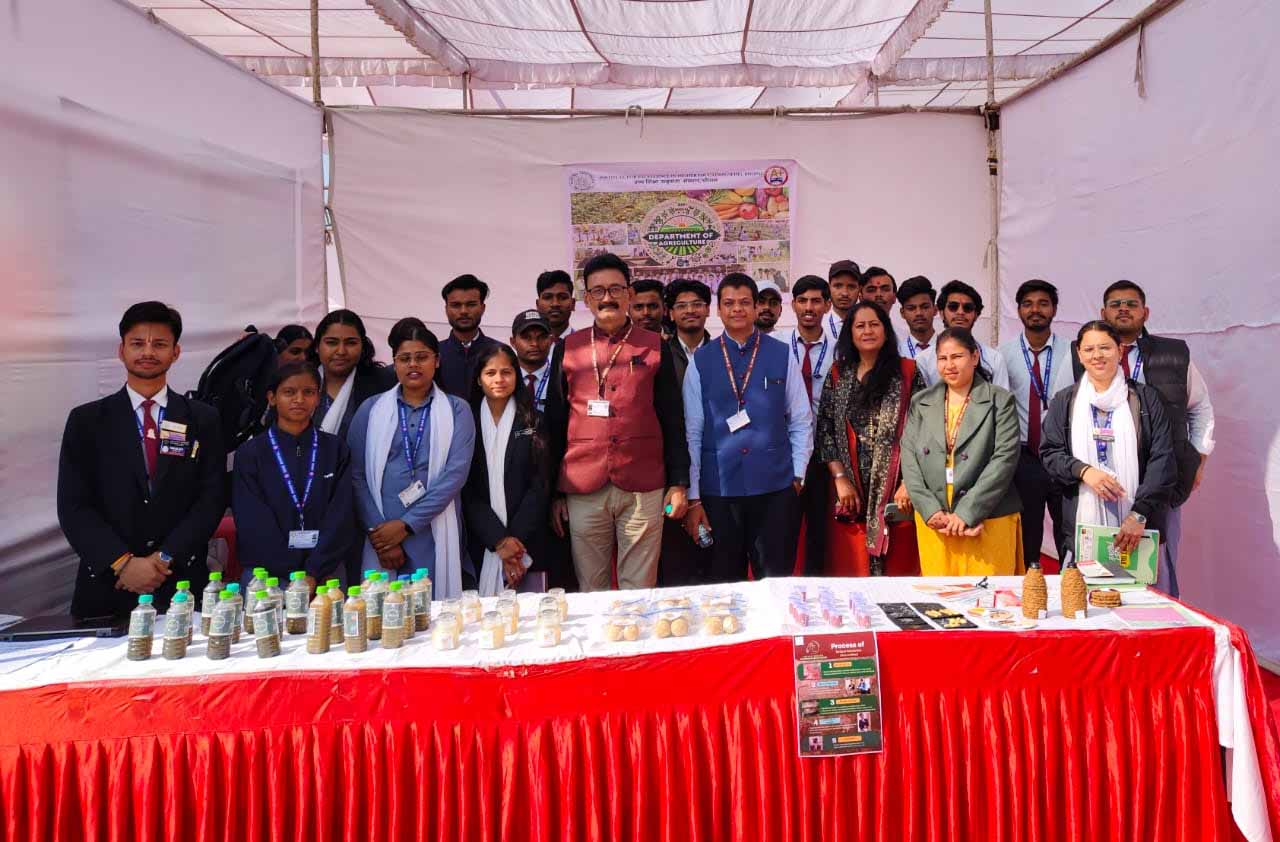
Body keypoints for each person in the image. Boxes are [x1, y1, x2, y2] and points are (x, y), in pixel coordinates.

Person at [57, 301, 226, 618]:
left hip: (180, 583)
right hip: (108, 586)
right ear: (121, 351)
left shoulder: (203, 419)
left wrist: (164, 558)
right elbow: (73, 506)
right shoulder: (87, 421)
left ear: (175, 352)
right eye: (137, 343)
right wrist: (122, 563)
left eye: (159, 344)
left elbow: (211, 499)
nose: (148, 352)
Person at [544, 252, 690, 591]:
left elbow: (673, 418)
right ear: (586, 298)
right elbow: (555, 421)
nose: (607, 298)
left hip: (643, 482)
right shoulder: (568, 348)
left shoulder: (655, 346)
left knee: (639, 587)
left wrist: (679, 482)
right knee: (591, 587)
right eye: (598, 291)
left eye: (615, 289)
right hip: (582, 483)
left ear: (629, 294)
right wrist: (554, 492)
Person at [1082, 280, 1213, 595]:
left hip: (1162, 477)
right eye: (1115, 304)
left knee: (1157, 568)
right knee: (1101, 571)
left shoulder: (1174, 356)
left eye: (1131, 304)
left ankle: (1157, 620)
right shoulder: (1085, 353)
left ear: (1145, 312)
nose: (1123, 309)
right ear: (1103, 312)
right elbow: (1061, 412)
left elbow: (1200, 408)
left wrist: (1198, 459)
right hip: (1102, 480)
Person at [682, 273, 813, 582]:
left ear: (755, 307)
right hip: (719, 490)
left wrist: (797, 475)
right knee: (725, 581)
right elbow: (693, 431)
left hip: (775, 488)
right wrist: (694, 496)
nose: (737, 309)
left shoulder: (782, 354)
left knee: (776, 579)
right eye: (729, 303)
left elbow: (800, 419)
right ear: (718, 310)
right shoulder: (700, 361)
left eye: (744, 302)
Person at [348, 321, 475, 597]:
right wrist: (381, 536)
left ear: (436, 361)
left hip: (433, 530)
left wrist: (406, 525)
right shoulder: (370, 409)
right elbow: (356, 476)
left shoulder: (457, 410)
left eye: (421, 357)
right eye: (405, 358)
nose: (413, 364)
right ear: (394, 363)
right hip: (380, 533)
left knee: (433, 610)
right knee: (383, 611)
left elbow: (455, 475)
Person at [1041, 321, 1177, 569]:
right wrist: (1084, 471)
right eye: (1089, 349)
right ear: (1079, 355)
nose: (1097, 355)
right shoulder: (1065, 401)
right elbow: (1050, 454)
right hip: (1082, 528)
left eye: (1105, 347)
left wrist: (1139, 514)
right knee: (1083, 593)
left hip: (1137, 528)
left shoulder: (1145, 399)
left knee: (1135, 593)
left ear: (1120, 350)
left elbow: (1163, 460)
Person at [901, 328, 1023, 575]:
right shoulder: (921, 401)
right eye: (942, 358)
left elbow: (1004, 460)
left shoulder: (1000, 400)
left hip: (988, 515)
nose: (949, 365)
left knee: (988, 595)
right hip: (937, 519)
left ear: (975, 357)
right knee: (940, 595)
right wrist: (929, 510)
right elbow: (909, 457)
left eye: (957, 356)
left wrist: (967, 512)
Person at [816, 301, 924, 576]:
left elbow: (924, 431)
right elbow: (825, 429)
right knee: (852, 570)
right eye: (860, 326)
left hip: (898, 490)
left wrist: (909, 482)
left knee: (898, 573)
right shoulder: (838, 374)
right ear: (850, 333)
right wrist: (840, 478)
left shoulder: (908, 372)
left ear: (886, 331)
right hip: (850, 490)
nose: (867, 331)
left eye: (874, 324)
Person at [231, 362, 356, 587]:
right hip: (268, 576)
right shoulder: (251, 453)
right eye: (289, 392)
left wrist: (313, 571)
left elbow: (341, 515)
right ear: (272, 398)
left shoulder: (335, 449)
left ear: (318, 398)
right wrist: (296, 576)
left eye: (308, 392)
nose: (299, 399)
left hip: (326, 573)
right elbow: (253, 521)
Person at [463, 344, 557, 595]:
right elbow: (466, 488)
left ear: (516, 376)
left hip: (527, 540)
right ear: (478, 379)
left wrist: (513, 544)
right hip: (481, 541)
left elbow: (540, 484)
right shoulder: (465, 422)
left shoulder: (533, 420)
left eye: (506, 372)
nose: (499, 379)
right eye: (490, 373)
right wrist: (498, 540)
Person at [998, 280, 1076, 567]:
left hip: (1063, 453)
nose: (1035, 310)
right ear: (1018, 310)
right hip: (1023, 457)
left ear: (1054, 309)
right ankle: (1028, 586)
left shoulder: (1074, 352)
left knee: (1068, 531)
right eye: (1028, 304)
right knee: (1027, 534)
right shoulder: (1002, 355)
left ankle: (1071, 582)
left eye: (1043, 303)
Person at [779, 275, 836, 574]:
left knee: (820, 533)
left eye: (816, 301)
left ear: (827, 305)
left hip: (825, 454)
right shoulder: (776, 345)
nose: (809, 307)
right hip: (784, 453)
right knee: (782, 530)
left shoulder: (841, 350)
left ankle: (816, 590)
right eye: (802, 301)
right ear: (793, 305)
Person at [310, 309, 393, 442]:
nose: (341, 351)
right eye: (332, 342)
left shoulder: (383, 386)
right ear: (316, 346)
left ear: (363, 346)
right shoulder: (298, 382)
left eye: (351, 343)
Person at [915, 281, 1010, 389]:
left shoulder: (994, 359)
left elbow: (1002, 398)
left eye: (967, 308)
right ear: (941, 313)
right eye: (953, 307)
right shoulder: (923, 360)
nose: (960, 312)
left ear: (976, 315)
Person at [438, 274, 500, 400]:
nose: (463, 311)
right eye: (456, 305)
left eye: (471, 304)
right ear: (446, 309)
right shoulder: (434, 354)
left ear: (483, 308)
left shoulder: (499, 352)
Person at [509, 309, 556, 414]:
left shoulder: (560, 378)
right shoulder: (503, 377)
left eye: (542, 337)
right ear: (513, 342)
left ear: (551, 341)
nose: (534, 343)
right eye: (526, 337)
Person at [896, 275, 938, 360]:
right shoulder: (897, 353)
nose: (919, 313)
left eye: (925, 307)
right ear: (902, 313)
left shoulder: (951, 348)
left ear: (935, 310)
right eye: (911, 308)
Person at [535, 269, 576, 340]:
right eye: (547, 297)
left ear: (573, 304)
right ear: (537, 305)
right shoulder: (530, 345)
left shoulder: (585, 344)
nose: (555, 304)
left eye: (563, 297)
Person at [826, 260, 861, 340]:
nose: (845, 293)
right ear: (829, 288)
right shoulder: (817, 326)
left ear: (859, 289)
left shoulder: (868, 327)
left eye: (851, 286)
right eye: (838, 286)